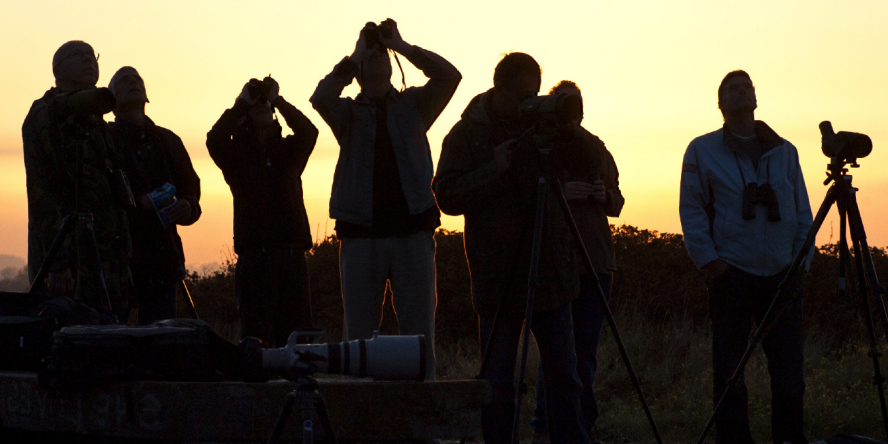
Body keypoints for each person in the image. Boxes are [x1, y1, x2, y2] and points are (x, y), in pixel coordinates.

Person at [433, 53, 591, 444]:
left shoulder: (541, 123)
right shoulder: (468, 133)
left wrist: (569, 129)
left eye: (534, 94)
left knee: (565, 378)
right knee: (499, 381)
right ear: (498, 89)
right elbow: (446, 196)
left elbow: (592, 163)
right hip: (498, 275)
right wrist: (494, 168)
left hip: (550, 270)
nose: (528, 103)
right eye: (522, 96)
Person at [310, 18, 461, 379]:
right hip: (361, 236)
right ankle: (358, 421)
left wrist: (402, 46)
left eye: (382, 54)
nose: (377, 57)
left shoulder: (414, 105)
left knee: (419, 333)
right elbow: (321, 97)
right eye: (370, 55)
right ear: (358, 71)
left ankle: (422, 419)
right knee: (358, 338)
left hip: (413, 232)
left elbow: (449, 77)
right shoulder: (346, 112)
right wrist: (355, 54)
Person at [679, 70, 813, 444]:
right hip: (731, 273)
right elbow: (691, 209)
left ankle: (788, 440)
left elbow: (803, 211)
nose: (742, 92)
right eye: (733, 89)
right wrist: (710, 262)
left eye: (748, 87)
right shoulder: (702, 150)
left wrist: (800, 264)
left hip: (782, 276)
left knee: (789, 375)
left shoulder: (785, 151)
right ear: (720, 104)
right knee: (730, 374)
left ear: (756, 99)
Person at [529, 80, 624, 444]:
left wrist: (603, 195)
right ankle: (545, 427)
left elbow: (617, 201)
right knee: (558, 355)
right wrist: (560, 193)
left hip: (596, 261)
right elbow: (526, 195)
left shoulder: (596, 148)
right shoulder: (542, 147)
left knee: (584, 353)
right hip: (557, 262)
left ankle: (582, 427)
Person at [22, 40, 132, 319]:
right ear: (56, 69)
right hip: (70, 264)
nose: (88, 60)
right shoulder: (45, 114)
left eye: (92, 55)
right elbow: (42, 194)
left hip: (107, 263)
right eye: (77, 55)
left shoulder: (96, 122)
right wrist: (57, 265)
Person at [207, 77, 318, 347]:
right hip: (255, 258)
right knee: (258, 340)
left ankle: (300, 388)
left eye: (266, 107)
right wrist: (241, 103)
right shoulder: (235, 155)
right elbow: (215, 139)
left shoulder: (289, 150)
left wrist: (277, 99)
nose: (262, 108)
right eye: (256, 107)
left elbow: (309, 131)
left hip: (292, 256)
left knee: (298, 339)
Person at [108, 66, 202, 325]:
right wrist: (134, 205)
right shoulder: (104, 139)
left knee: (159, 343)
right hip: (117, 259)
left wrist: (188, 206)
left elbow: (191, 189)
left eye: (137, 79)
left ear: (147, 95)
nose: (133, 83)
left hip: (163, 257)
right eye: (124, 81)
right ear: (111, 102)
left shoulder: (169, 140)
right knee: (110, 342)